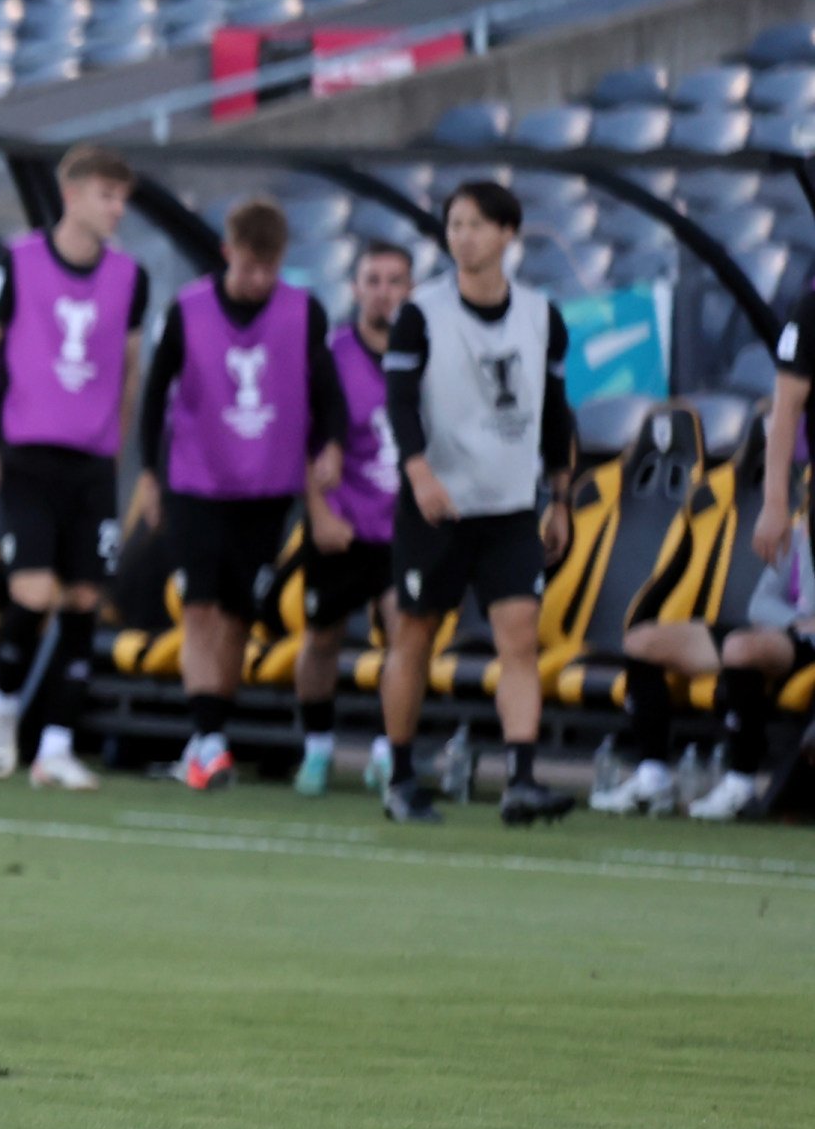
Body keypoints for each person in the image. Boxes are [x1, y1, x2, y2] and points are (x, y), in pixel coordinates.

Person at [126, 199, 349, 793]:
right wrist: (149, 472)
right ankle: (209, 738)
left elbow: (328, 391)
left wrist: (330, 445)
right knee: (198, 607)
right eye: (248, 266)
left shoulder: (304, 313)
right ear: (228, 254)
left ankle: (209, 735)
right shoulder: (188, 310)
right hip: (197, 481)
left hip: (269, 485)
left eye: (268, 267)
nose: (257, 279)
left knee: (235, 615)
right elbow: (154, 398)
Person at [378, 180, 575, 825]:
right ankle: (401, 777)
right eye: (454, 224)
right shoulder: (422, 312)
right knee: (413, 636)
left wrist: (562, 498)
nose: (462, 236)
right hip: (439, 508)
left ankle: (521, 778)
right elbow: (400, 402)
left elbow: (555, 413)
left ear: (507, 234)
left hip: (511, 507)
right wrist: (420, 474)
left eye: (475, 225)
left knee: (519, 639)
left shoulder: (542, 315)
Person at [0, 143, 150, 790]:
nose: (116, 207)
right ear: (70, 196)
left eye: (122, 197)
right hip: (27, 453)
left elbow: (129, 367)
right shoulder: (14, 262)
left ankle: (57, 749)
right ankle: (3, 704)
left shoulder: (130, 277)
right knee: (32, 592)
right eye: (105, 194)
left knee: (83, 598)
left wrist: (116, 442)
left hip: (91, 460)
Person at [598, 284, 810, 821]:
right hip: (787, 635)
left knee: (743, 649)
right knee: (645, 639)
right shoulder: (801, 523)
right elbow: (786, 403)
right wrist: (777, 501)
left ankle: (742, 780)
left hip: (794, 643)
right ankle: (653, 777)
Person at [290, 238, 412, 797]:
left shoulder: (424, 357)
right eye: (373, 280)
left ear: (409, 290)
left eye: (394, 281)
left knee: (404, 635)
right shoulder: (331, 354)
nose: (383, 291)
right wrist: (316, 513)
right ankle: (317, 749)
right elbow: (301, 437)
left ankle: (390, 751)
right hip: (341, 524)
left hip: (402, 527)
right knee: (321, 638)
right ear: (356, 288)